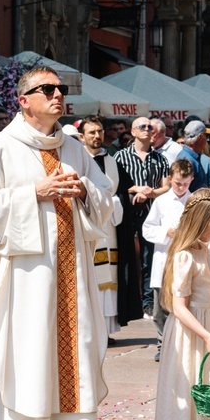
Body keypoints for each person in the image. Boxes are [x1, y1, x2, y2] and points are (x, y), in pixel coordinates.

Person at [0, 66, 113, 420]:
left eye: (61, 89)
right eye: (48, 89)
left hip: (72, 282)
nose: (58, 95)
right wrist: (32, 194)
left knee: (73, 362)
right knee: (29, 364)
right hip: (23, 284)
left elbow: (107, 199)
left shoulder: (74, 149)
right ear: (23, 101)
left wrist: (86, 191)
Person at [153, 189, 210, 420]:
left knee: (208, 387)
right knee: (192, 388)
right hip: (191, 333)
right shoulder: (185, 255)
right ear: (200, 222)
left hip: (207, 326)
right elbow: (178, 307)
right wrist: (206, 335)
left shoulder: (203, 250)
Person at [114, 117, 171, 318]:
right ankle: (130, 301)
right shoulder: (120, 157)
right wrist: (136, 189)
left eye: (150, 127)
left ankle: (148, 302)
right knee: (129, 256)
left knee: (149, 257)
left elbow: (167, 186)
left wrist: (150, 193)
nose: (148, 130)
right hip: (127, 210)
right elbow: (114, 183)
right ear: (134, 132)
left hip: (151, 212)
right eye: (143, 127)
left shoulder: (160, 159)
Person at [143, 159, 194, 362]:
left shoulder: (193, 201)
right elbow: (148, 228)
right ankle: (162, 342)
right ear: (170, 179)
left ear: (191, 180)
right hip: (164, 257)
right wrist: (167, 232)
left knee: (182, 301)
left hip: (184, 258)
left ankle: (180, 342)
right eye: (177, 183)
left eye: (185, 184)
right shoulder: (161, 201)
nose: (181, 188)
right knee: (160, 307)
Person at [79, 115, 124, 340]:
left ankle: (106, 330)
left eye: (99, 132)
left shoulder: (111, 159)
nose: (97, 136)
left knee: (110, 274)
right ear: (82, 136)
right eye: (92, 133)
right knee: (91, 274)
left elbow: (116, 189)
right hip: (87, 221)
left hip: (108, 224)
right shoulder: (78, 159)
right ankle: (91, 330)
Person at [176, 120, 210, 192]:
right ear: (200, 137)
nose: (207, 139)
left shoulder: (192, 157)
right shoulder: (186, 159)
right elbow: (181, 190)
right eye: (206, 136)